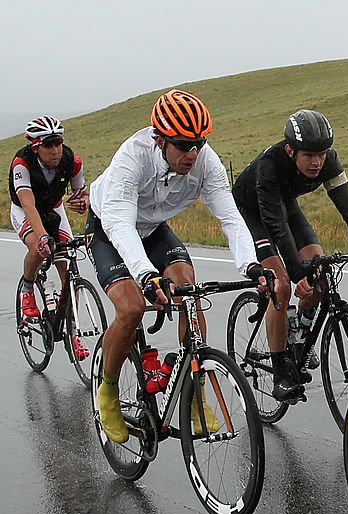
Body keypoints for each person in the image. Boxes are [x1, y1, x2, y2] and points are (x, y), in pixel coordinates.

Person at [88, 89, 276, 444]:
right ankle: (108, 392)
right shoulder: (132, 159)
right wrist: (145, 276)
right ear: (159, 140)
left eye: (198, 143)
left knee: (189, 290)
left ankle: (194, 393)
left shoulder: (206, 162)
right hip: (111, 229)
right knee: (131, 308)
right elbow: (122, 228)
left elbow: (231, 218)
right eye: (183, 144)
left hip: (155, 229)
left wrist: (251, 266)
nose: (192, 153)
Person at [232, 109, 348, 402]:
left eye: (322, 153)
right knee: (281, 285)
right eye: (309, 155)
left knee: (322, 273)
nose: (317, 162)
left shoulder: (328, 162)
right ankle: (280, 372)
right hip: (253, 212)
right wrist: (295, 271)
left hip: (285, 204)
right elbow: (276, 227)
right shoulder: (270, 166)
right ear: (291, 150)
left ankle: (301, 334)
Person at [9, 116, 91, 358]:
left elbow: (81, 193)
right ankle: (27, 288)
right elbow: (29, 205)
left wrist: (81, 202)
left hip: (54, 208)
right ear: (36, 147)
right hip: (26, 209)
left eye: (58, 143)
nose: (56, 150)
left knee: (66, 266)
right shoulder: (22, 164)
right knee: (37, 246)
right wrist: (44, 237)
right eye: (49, 144)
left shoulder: (72, 161)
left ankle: (73, 333)